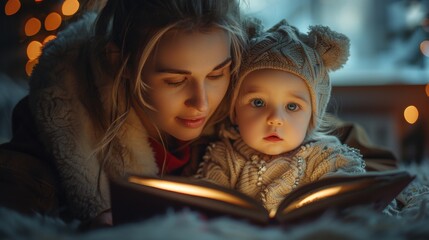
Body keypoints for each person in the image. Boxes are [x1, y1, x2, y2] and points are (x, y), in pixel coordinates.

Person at [0, 0, 247, 227]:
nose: (201, 103)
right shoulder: (56, 121)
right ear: (121, 62)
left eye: (216, 75)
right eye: (175, 80)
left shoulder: (247, 117)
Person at [195, 20, 367, 213]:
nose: (275, 118)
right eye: (258, 102)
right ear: (234, 112)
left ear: (311, 118)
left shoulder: (324, 157)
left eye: (292, 106)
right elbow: (207, 207)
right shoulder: (223, 157)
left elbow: (356, 194)